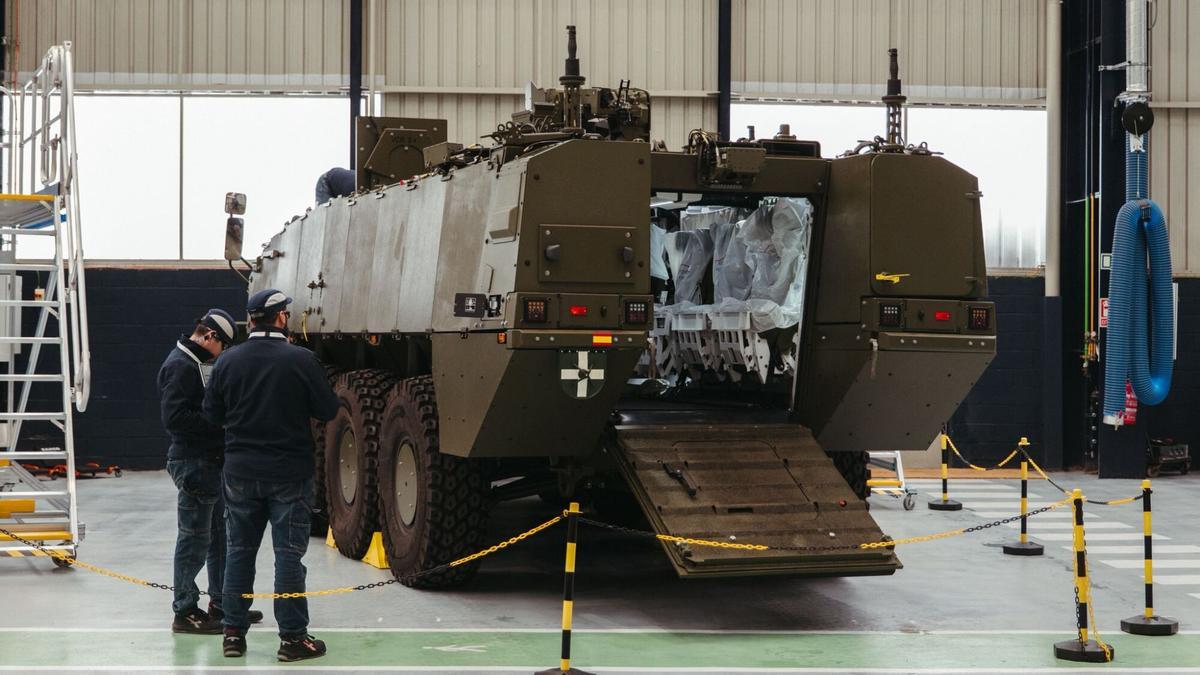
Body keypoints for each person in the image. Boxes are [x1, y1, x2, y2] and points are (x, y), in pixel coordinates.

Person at [204, 289, 339, 662]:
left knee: (239, 554)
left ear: (251, 320)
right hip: (289, 474)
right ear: (281, 317)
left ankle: (232, 634)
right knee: (288, 558)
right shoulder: (302, 360)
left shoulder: (228, 361)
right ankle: (293, 639)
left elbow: (212, 415)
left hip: (240, 473)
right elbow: (328, 410)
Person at [158, 309, 262, 633]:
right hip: (193, 463)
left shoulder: (198, 362)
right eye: (224, 346)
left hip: (209, 463)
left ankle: (221, 603)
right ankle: (185, 610)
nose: (224, 353)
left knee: (218, 539)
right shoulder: (180, 365)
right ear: (210, 337)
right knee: (194, 540)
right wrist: (220, 424)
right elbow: (175, 418)